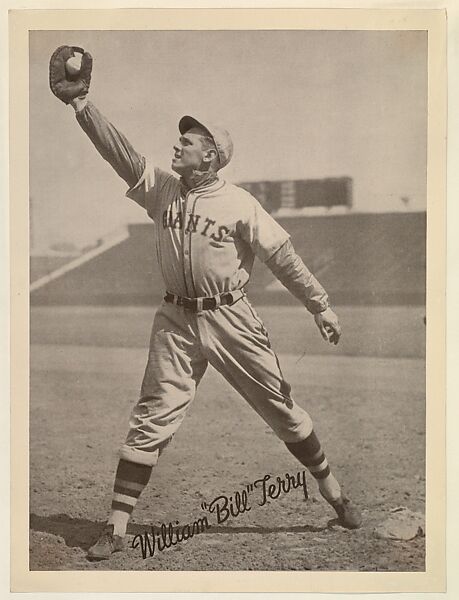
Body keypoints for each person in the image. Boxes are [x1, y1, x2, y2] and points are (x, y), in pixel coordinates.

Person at [49, 46, 362, 561]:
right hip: (176, 319)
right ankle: (117, 525)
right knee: (152, 417)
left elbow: (284, 258)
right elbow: (118, 151)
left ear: (212, 154)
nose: (178, 145)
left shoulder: (240, 203)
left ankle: (333, 491)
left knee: (282, 410)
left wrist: (320, 304)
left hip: (232, 317)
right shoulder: (162, 190)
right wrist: (83, 107)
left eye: (189, 141)